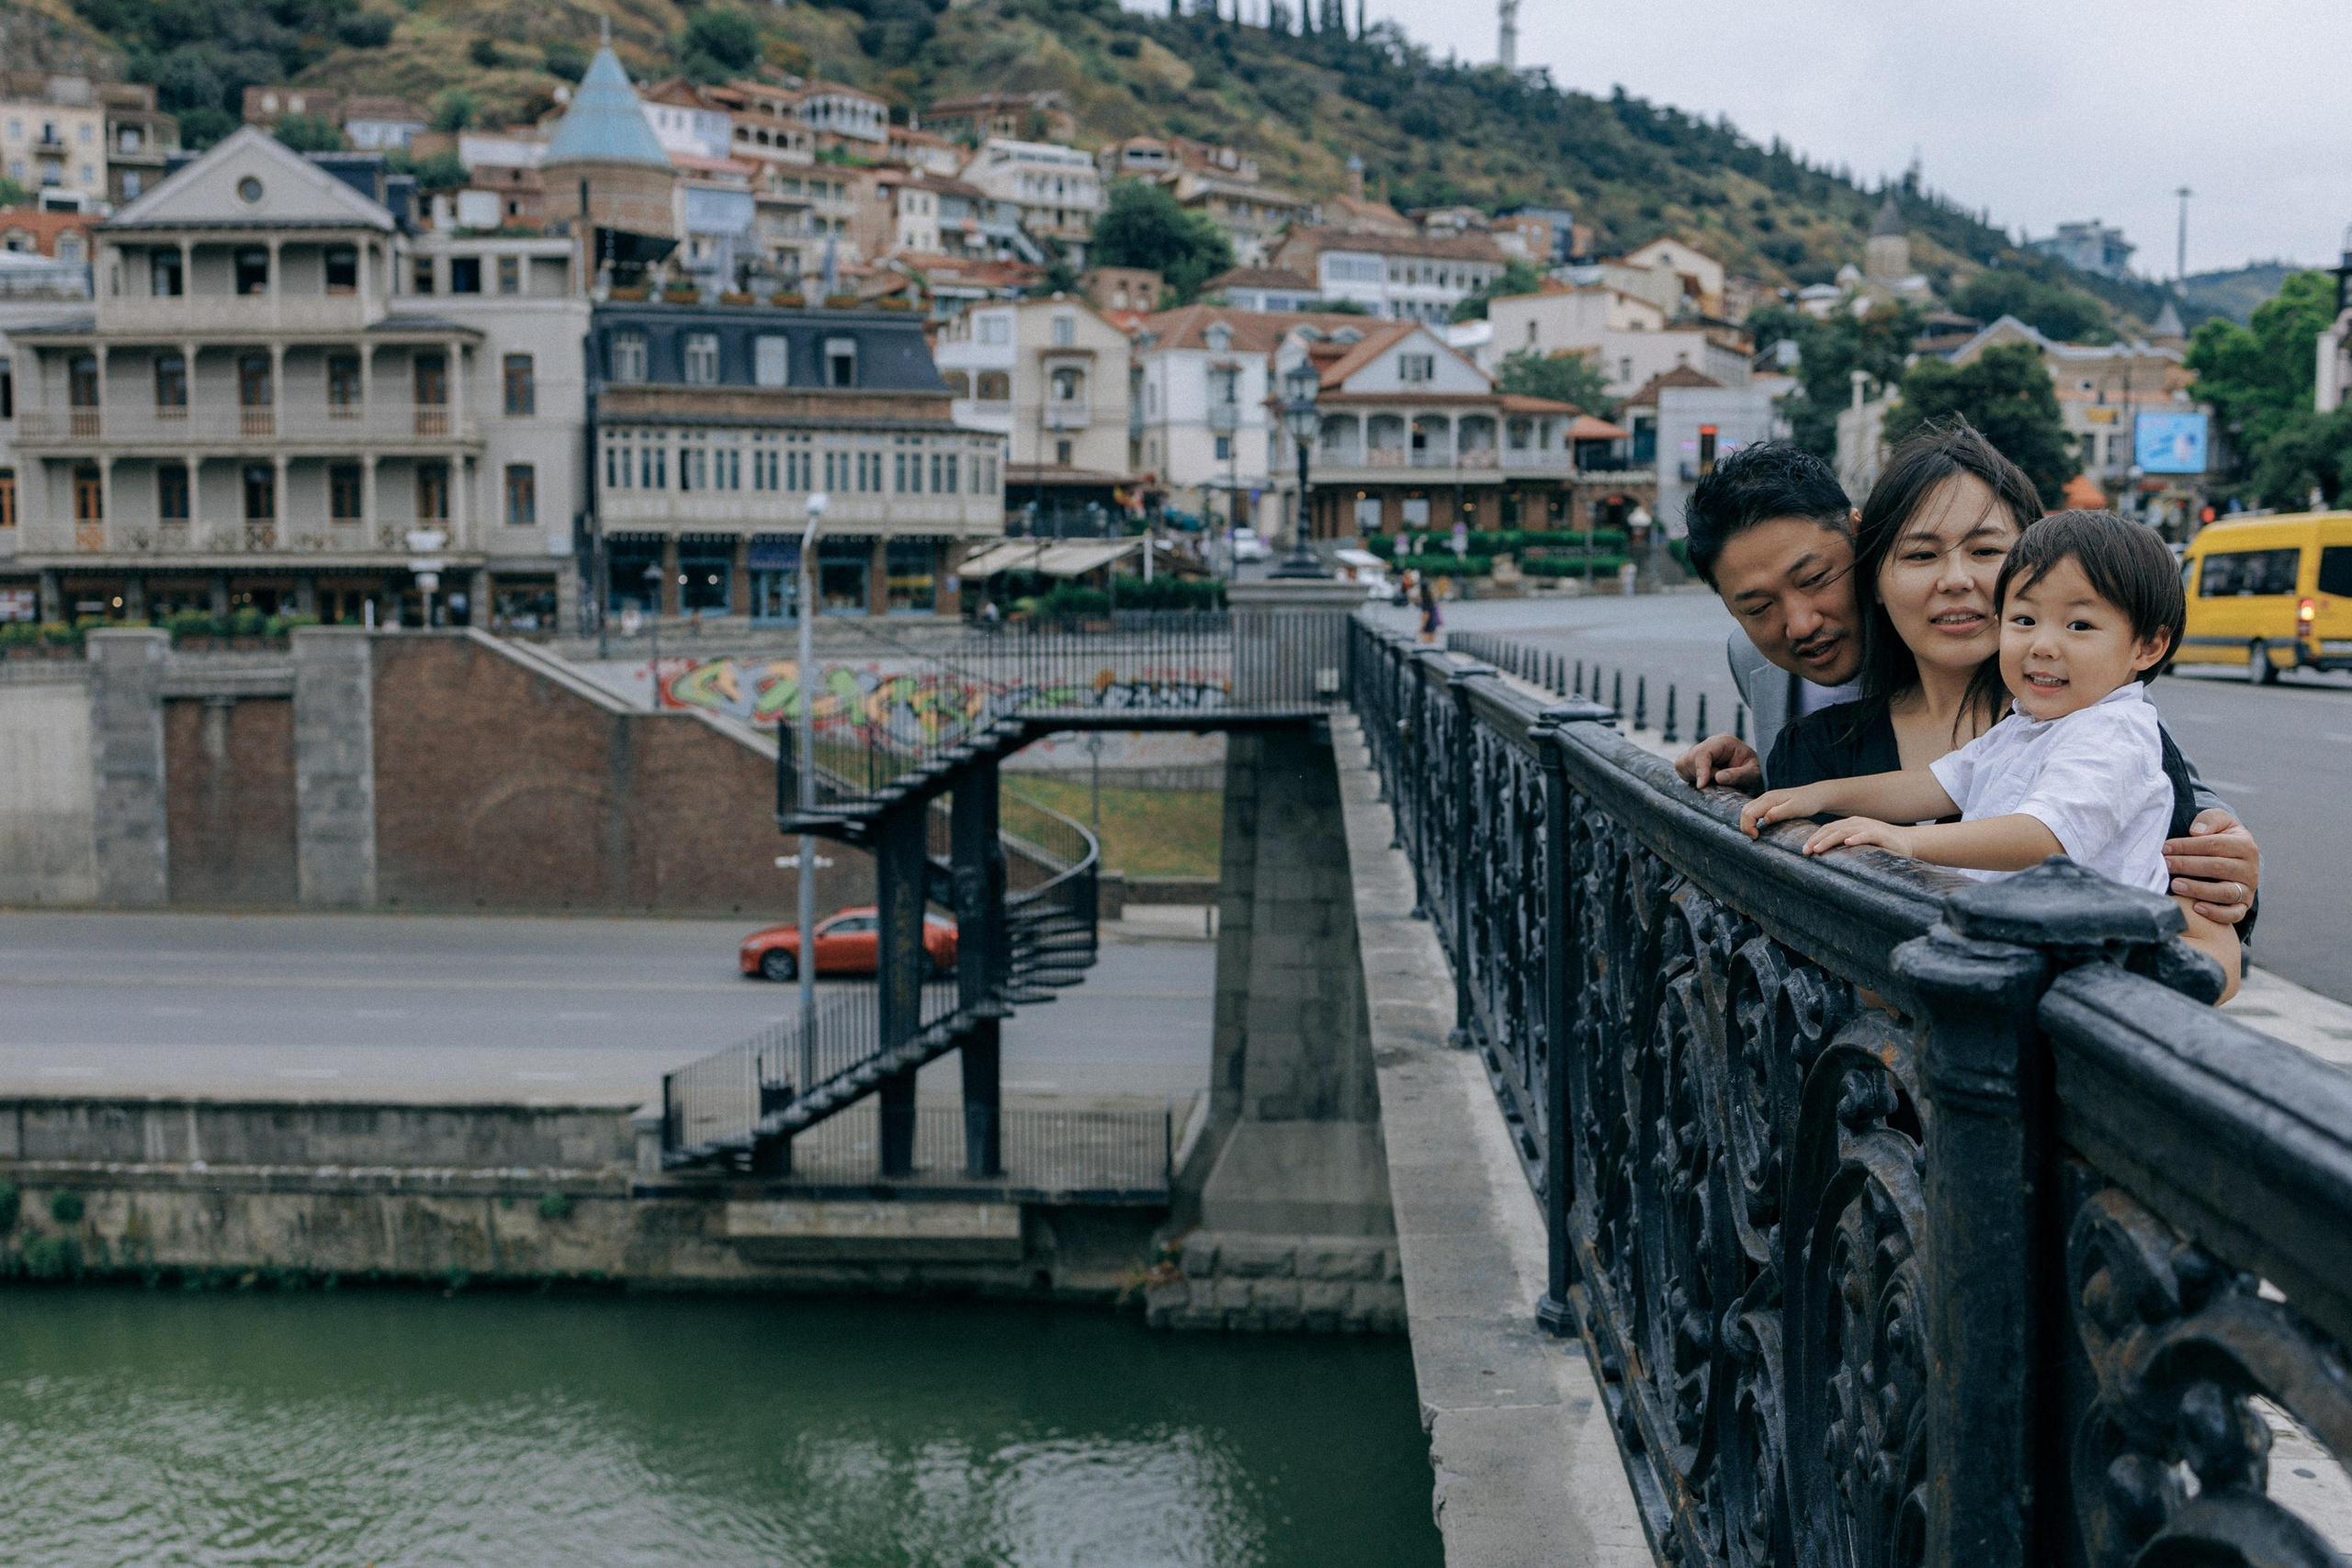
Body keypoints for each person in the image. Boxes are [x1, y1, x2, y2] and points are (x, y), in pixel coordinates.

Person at [1672, 437, 2260, 931]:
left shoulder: (2069, 704)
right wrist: (1754, 789)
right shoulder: (1798, 722)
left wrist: (2225, 861)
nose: (1799, 622)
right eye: (1921, 555)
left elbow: (2139, 789)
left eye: (1986, 551)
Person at [1739, 511, 2238, 995]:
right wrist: (1820, 794)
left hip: (2091, 973)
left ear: (2147, 647)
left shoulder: (2112, 732)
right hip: (2029, 955)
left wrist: (1905, 843)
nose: (2042, 645)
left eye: (2079, 626)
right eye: (2023, 619)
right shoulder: (2030, 724)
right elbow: (1933, 785)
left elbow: (2046, 835)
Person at [1418, 571, 1442, 644]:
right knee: (1431, 642)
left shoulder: (1424, 600)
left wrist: (1421, 626)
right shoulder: (1430, 597)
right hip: (1433, 621)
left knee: (1426, 643)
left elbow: (1426, 614)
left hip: (1428, 623)